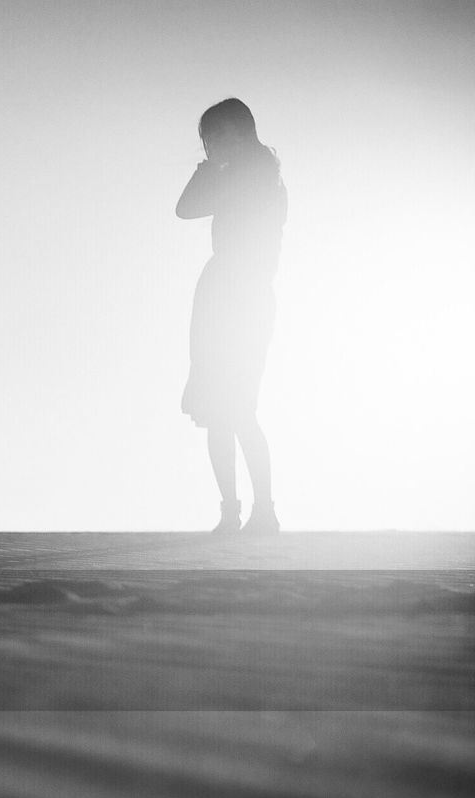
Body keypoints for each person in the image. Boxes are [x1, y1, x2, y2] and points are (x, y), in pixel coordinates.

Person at [176, 98, 287, 533]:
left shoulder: (258, 178)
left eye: (214, 136)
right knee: (217, 409)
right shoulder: (234, 176)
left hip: (245, 296)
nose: (209, 146)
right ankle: (231, 511)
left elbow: (188, 208)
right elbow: (185, 208)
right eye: (205, 140)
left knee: (239, 407)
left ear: (239, 132)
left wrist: (212, 173)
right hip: (220, 293)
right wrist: (207, 169)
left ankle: (263, 511)